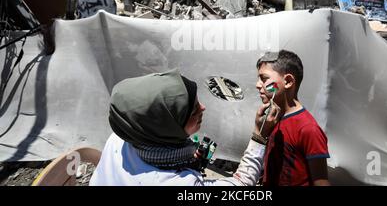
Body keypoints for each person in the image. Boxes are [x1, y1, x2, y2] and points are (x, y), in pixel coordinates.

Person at [90, 69, 281, 186]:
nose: (203, 108)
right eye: (193, 110)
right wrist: (259, 136)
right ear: (168, 128)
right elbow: (240, 184)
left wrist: (187, 161)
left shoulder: (123, 138)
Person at [256, 50, 331, 186]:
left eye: (264, 79)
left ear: (288, 81)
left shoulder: (308, 129)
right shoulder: (272, 119)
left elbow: (321, 181)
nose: (257, 85)